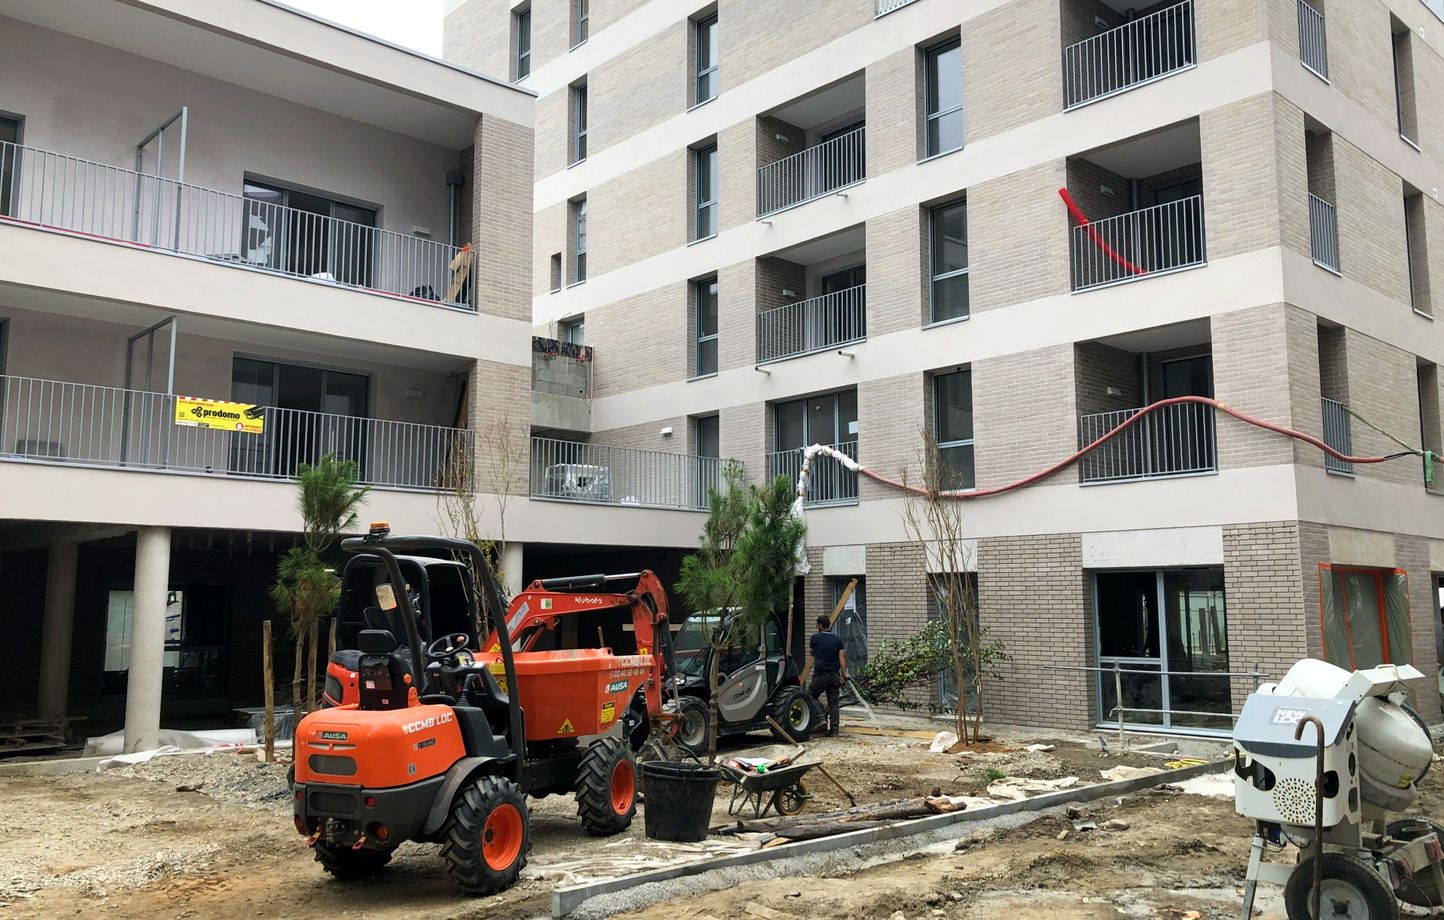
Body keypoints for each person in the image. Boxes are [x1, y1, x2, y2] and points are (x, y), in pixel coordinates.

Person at [808, 615, 847, 736]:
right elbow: (842, 657)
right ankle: (834, 731)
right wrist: (843, 675)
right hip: (834, 675)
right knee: (833, 703)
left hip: (821, 674)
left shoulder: (815, 638)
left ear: (820, 625)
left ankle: (820, 719)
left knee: (810, 695)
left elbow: (813, 652)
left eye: (817, 625)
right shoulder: (837, 639)